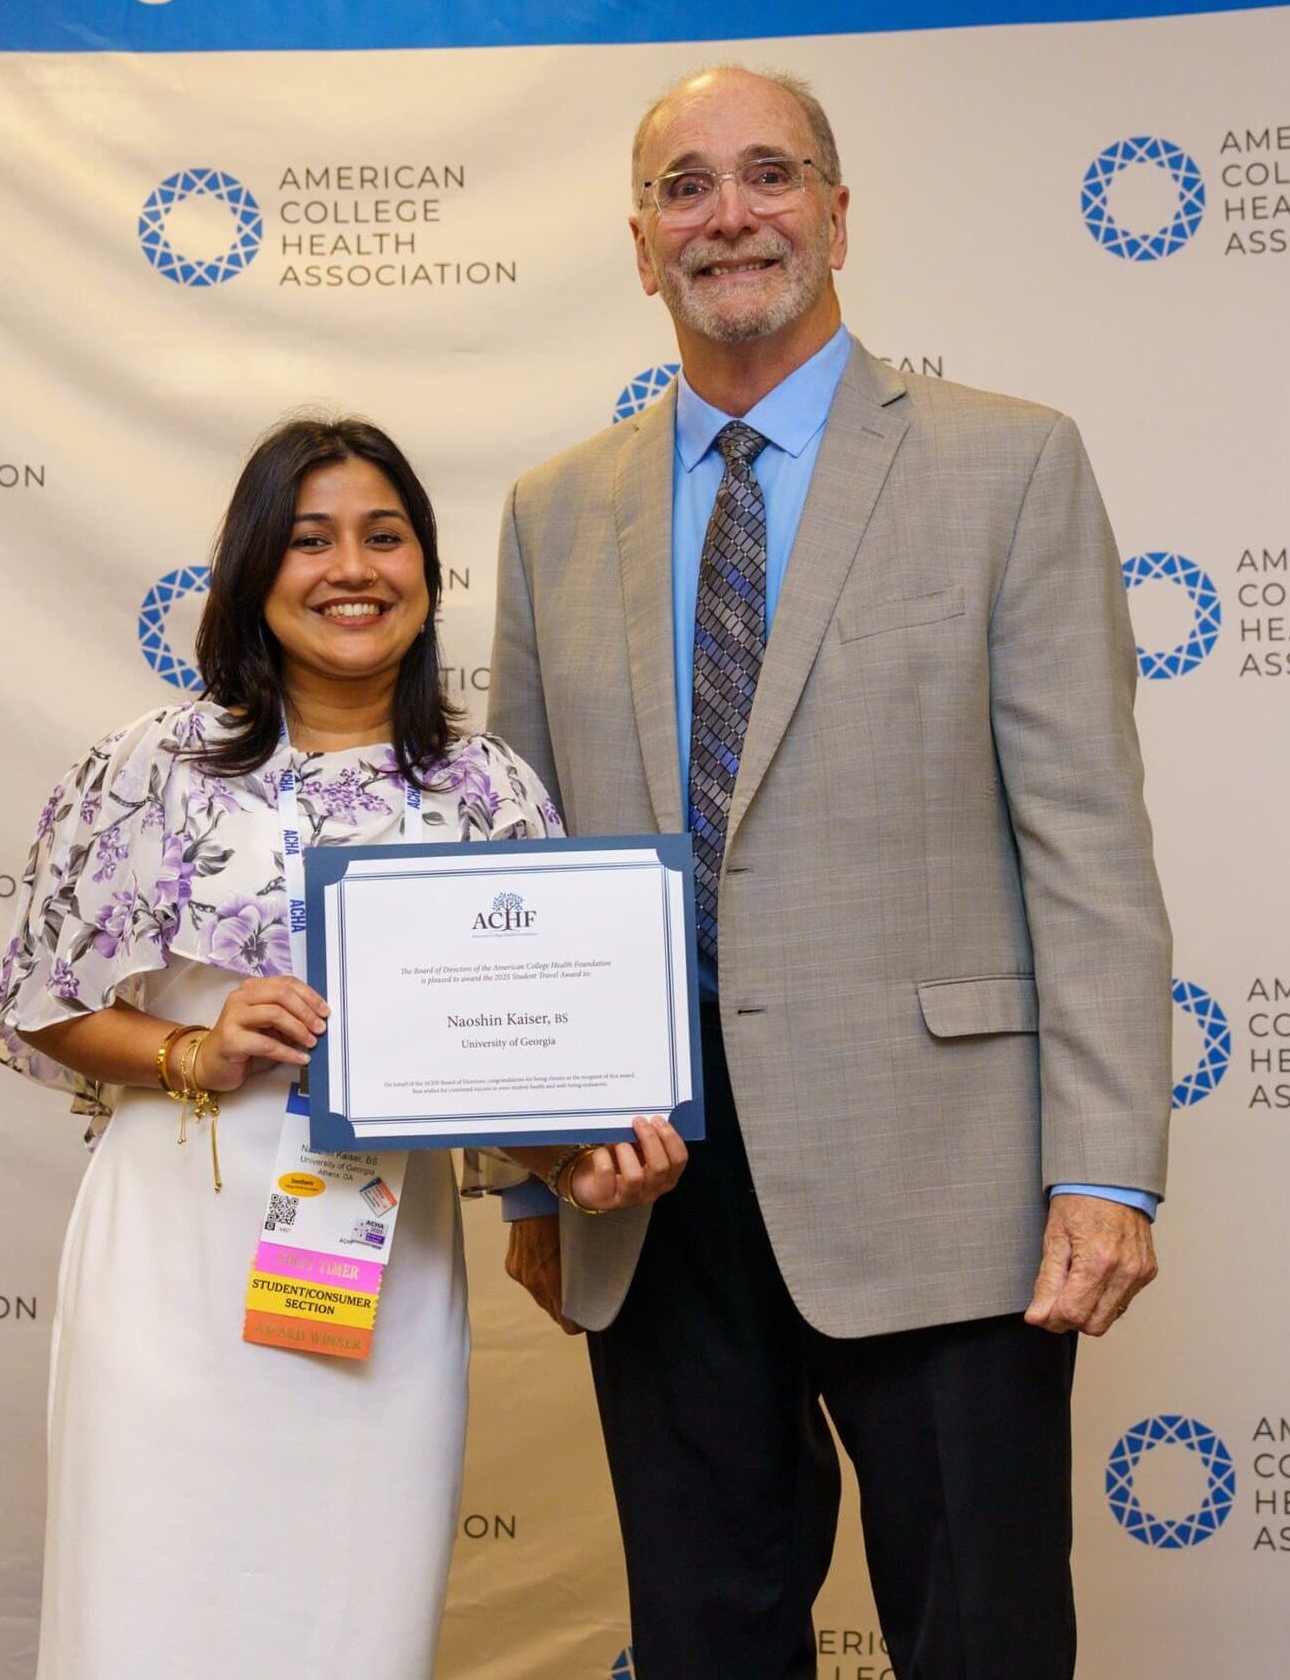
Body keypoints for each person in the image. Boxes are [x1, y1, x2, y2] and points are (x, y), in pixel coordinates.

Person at [480, 66, 1173, 1679]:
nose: (731, 215)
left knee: (979, 1639)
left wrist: (1108, 1167)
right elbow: (528, 858)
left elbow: (1091, 847)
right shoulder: (549, 513)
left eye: (770, 175)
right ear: (642, 243)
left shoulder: (1012, 466)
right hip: (652, 1186)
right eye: (686, 188)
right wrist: (525, 1168)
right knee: (705, 1641)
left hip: (952, 1181)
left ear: (840, 212)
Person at [0, 415, 686, 1680]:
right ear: (255, 571)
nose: (352, 569)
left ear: (426, 571)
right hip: (177, 1259)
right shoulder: (155, 765)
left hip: (382, 1265)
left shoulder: (489, 790)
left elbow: (521, 1068)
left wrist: (585, 1168)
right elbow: (36, 1001)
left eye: (385, 536)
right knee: (153, 1605)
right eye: (310, 540)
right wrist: (196, 1045)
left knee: (351, 1620)